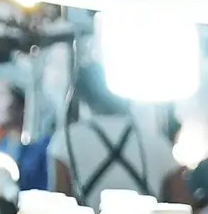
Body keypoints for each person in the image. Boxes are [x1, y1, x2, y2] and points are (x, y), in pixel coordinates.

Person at [49, 65, 175, 204]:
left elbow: (59, 203)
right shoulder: (157, 142)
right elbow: (183, 203)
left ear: (85, 97)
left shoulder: (65, 141)